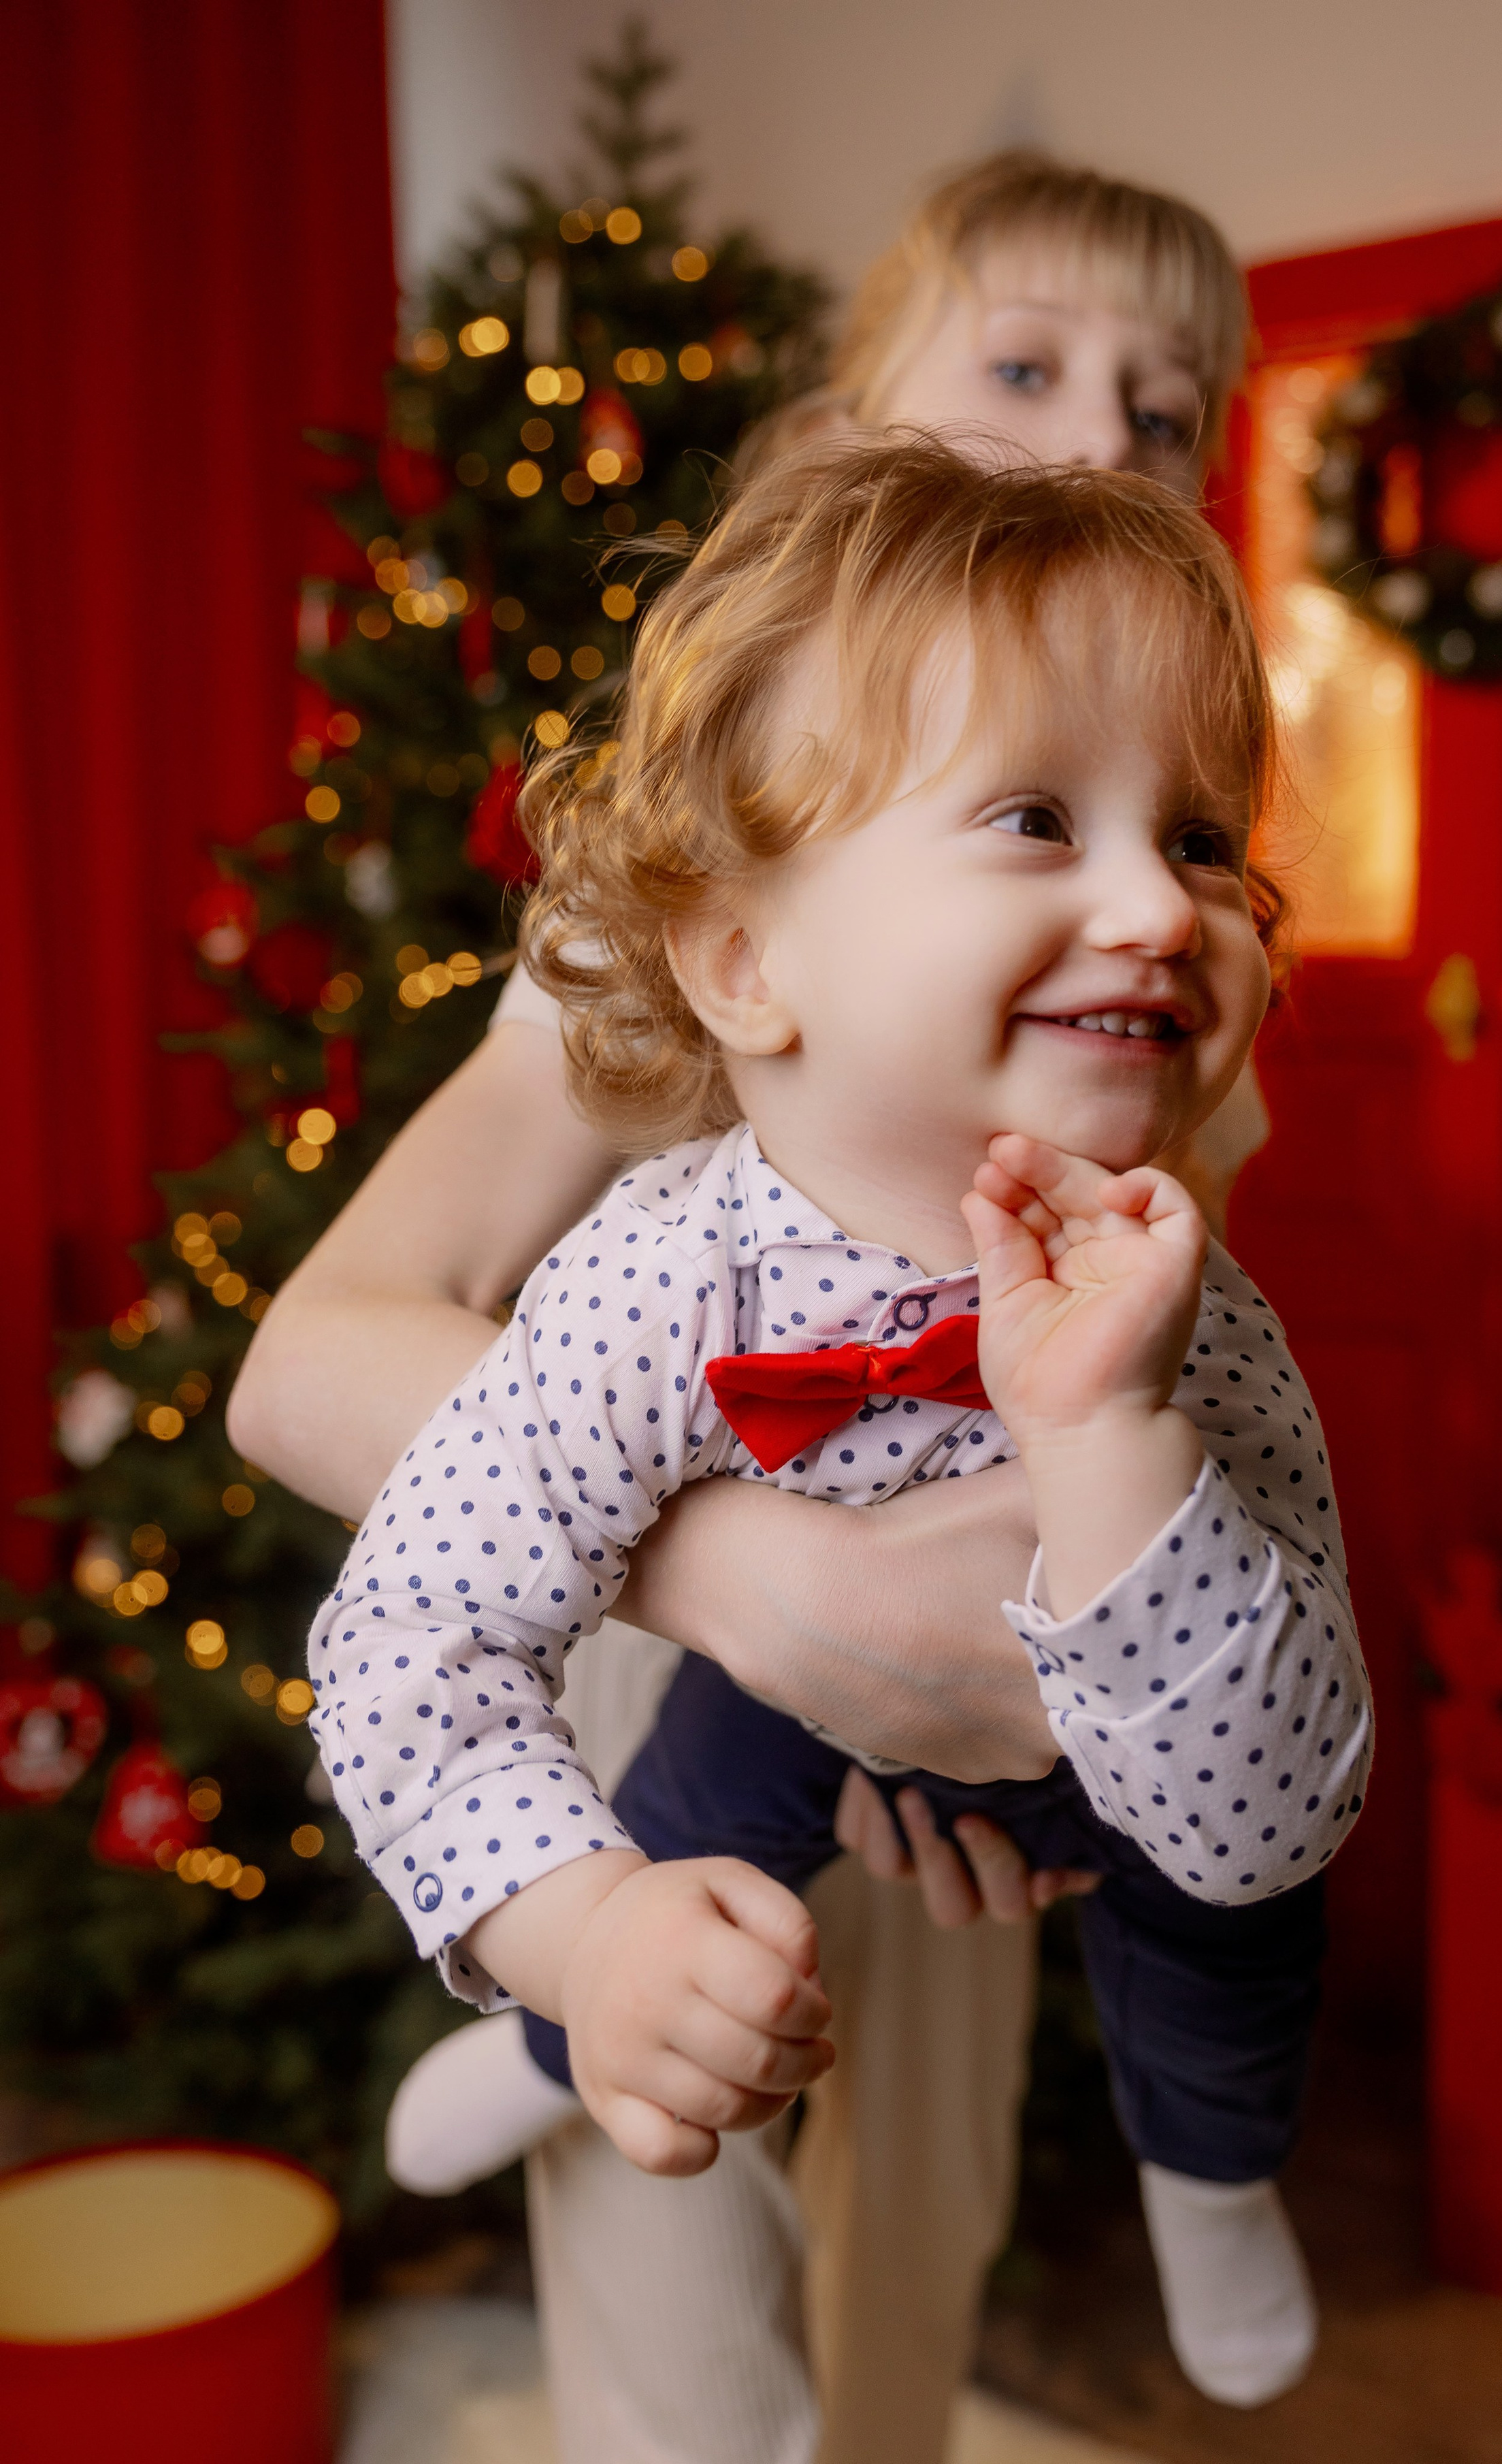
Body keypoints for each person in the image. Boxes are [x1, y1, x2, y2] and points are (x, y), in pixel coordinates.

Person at [230, 155, 1295, 2454]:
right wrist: (775, 1594)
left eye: (1165, 408)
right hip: (655, 1720)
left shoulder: (1149, 946)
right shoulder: (717, 899)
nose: (1102, 440)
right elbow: (307, 1359)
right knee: (683, 2339)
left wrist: (1068, 1688)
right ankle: (546, 2048)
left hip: (1004, 1742)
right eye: (1024, 367)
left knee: (915, 2271)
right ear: (850, 431)